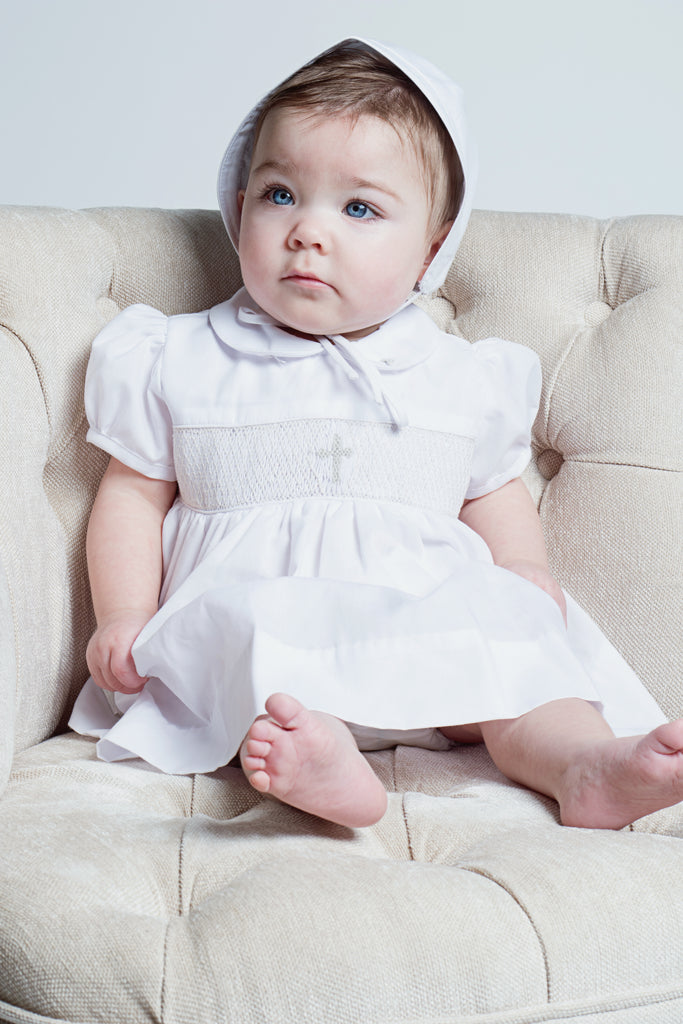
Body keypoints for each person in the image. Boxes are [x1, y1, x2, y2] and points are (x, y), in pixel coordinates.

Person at [70, 38, 683, 831]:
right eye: (279, 194)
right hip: (264, 633)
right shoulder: (177, 356)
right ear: (238, 204)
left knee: (509, 641)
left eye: (358, 209)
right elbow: (132, 495)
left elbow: (491, 489)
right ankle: (320, 762)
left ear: (431, 247)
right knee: (247, 632)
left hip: (421, 636)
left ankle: (578, 764)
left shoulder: (458, 375)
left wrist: (523, 570)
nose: (307, 232)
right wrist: (123, 615)